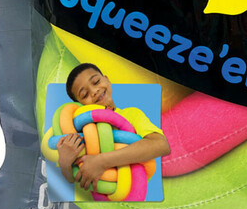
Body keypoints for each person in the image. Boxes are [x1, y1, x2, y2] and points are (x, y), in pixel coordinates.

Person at [56, 63, 171, 192]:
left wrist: (102, 161)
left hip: (130, 193)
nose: (94, 91)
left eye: (96, 81)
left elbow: (161, 145)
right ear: (79, 103)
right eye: (84, 94)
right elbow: (72, 181)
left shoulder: (132, 114)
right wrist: (64, 163)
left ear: (107, 80)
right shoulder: (79, 129)